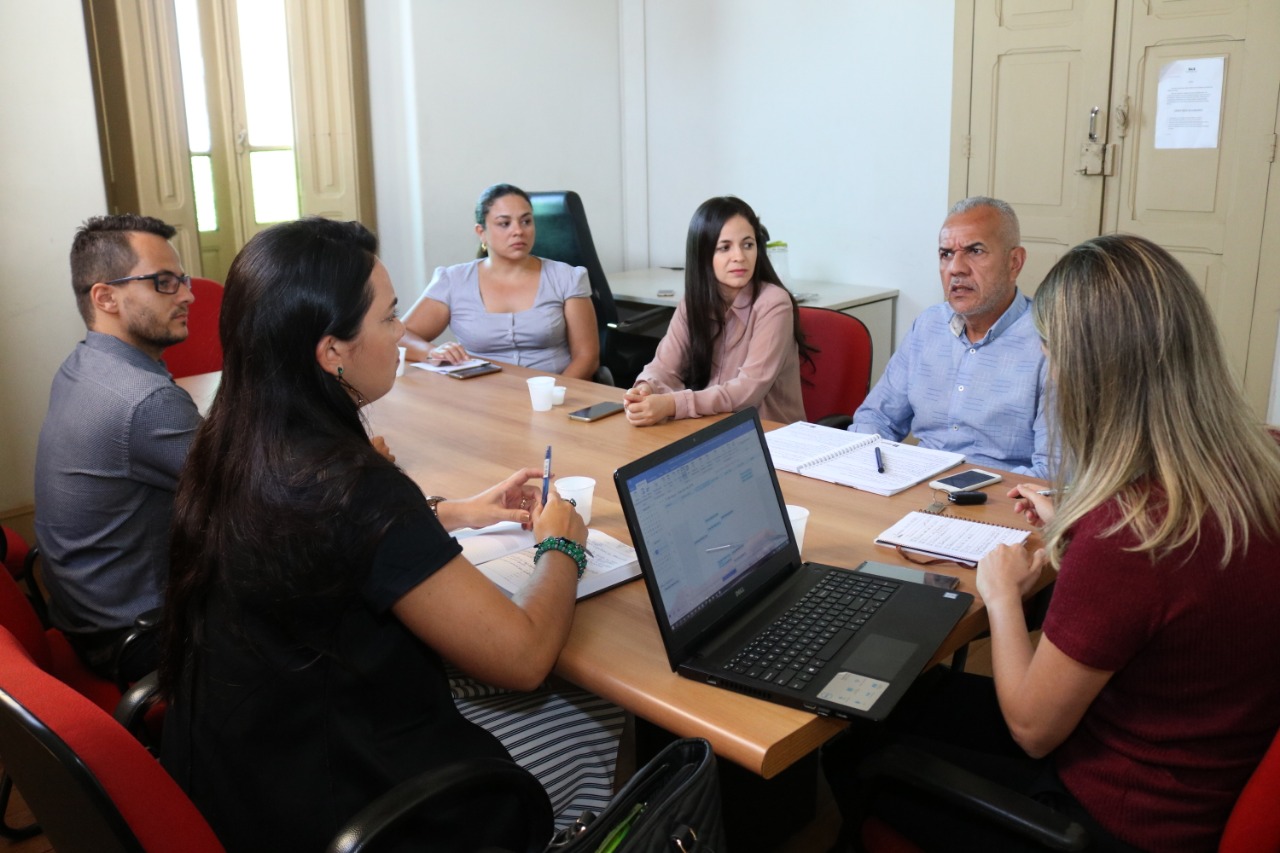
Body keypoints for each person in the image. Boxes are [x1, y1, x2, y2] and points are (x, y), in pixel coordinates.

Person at [160, 218, 619, 852]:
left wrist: (451, 512)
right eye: (389, 317)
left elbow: (329, 544)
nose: (403, 333)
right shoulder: (356, 487)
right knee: (608, 714)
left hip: (248, 778)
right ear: (332, 351)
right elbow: (523, 659)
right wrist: (561, 543)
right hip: (359, 813)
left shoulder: (233, 444)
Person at [823, 234, 1280, 852]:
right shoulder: (1257, 461)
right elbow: (1158, 591)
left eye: (1053, 351)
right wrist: (1076, 520)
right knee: (907, 698)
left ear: (1094, 372)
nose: (1050, 368)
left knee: (855, 745)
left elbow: (1032, 729)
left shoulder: (1127, 534)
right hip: (1203, 759)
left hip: (1110, 820)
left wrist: (1002, 596)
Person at [34, 213, 201, 683]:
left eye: (182, 279)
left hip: (82, 612)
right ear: (105, 297)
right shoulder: (145, 400)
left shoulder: (83, 363)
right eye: (163, 282)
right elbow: (257, 493)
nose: (188, 295)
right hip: (138, 637)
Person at [850, 196, 1049, 476]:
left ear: (1014, 262)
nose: (956, 268)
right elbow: (877, 417)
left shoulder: (1049, 341)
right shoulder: (929, 325)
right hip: (917, 484)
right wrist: (865, 464)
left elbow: (1053, 470)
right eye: (946, 254)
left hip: (1000, 495)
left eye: (975, 251)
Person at [623, 196, 807, 425]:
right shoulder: (693, 302)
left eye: (748, 245)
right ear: (703, 254)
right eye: (725, 248)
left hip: (770, 434)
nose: (739, 257)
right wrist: (645, 389)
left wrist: (671, 404)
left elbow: (748, 391)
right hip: (714, 427)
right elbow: (664, 366)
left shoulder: (774, 303)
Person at [401, 183, 599, 379]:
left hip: (555, 391)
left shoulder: (567, 277)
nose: (518, 231)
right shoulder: (453, 280)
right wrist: (432, 352)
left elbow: (587, 357)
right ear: (481, 232)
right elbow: (399, 335)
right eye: (504, 223)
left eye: (526, 221)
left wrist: (554, 393)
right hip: (480, 392)